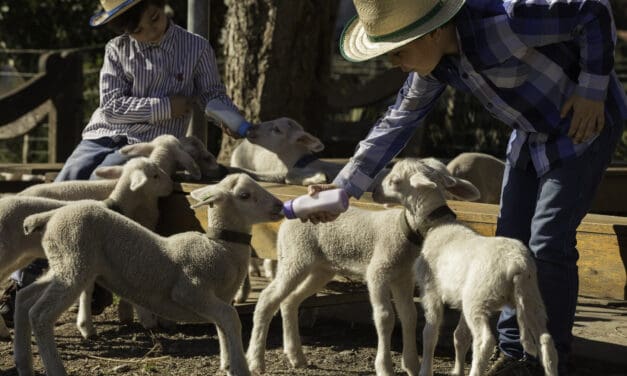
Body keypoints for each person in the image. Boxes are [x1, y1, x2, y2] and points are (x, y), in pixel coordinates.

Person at [307, 0, 627, 375]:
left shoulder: (506, 20)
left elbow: (593, 11)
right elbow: (396, 122)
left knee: (547, 242)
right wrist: (343, 190)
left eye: (399, 51)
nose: (395, 63)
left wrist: (592, 89)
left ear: (434, 31)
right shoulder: (433, 66)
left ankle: (543, 359)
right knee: (508, 241)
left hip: (582, 128)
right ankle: (514, 354)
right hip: (530, 134)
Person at [0, 0, 248, 322]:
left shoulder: (195, 47)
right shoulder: (117, 49)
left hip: (143, 146)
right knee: (61, 186)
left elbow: (211, 93)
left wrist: (229, 119)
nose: (148, 32)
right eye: (136, 30)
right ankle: (23, 282)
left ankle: (99, 275)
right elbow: (111, 106)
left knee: (95, 192)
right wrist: (165, 107)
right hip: (102, 135)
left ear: (159, 6)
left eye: (153, 20)